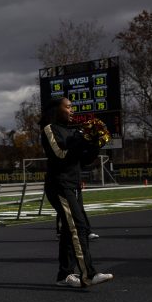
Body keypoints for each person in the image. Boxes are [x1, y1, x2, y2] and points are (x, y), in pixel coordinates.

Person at [40, 97, 114, 288]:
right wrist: (80, 140)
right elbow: (60, 155)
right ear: (57, 109)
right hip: (59, 185)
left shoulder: (70, 131)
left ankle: (64, 275)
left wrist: (94, 144)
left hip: (73, 185)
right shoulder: (49, 128)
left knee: (68, 230)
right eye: (69, 107)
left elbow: (84, 160)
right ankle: (88, 274)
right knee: (79, 227)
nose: (72, 110)